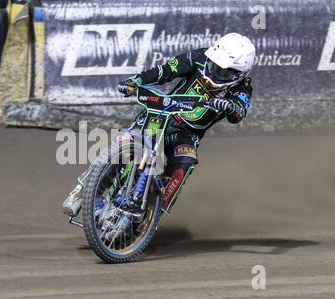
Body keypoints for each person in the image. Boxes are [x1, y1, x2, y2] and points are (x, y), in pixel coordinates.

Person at [63, 33, 256, 217]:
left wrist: (230, 106)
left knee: (185, 163)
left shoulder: (243, 87)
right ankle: (84, 190)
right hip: (161, 115)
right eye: (215, 66)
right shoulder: (198, 57)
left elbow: (239, 112)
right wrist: (136, 81)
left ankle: (153, 214)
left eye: (224, 71)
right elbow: (166, 70)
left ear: (239, 73)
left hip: (188, 135)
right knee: (126, 141)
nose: (216, 72)